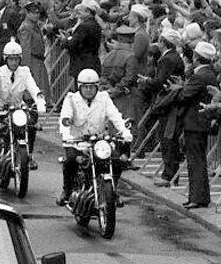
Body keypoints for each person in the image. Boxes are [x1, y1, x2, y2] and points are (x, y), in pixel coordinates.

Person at [58, 69, 132, 206]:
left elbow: (115, 116)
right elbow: (65, 118)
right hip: (77, 142)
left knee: (117, 160)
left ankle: (112, 191)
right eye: (85, 87)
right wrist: (66, 134)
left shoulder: (104, 98)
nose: (88, 90)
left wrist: (124, 131)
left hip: (100, 142)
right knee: (70, 162)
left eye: (91, 87)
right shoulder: (71, 100)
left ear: (96, 87)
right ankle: (67, 191)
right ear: (79, 87)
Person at [0, 41, 47, 170]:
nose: (14, 62)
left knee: (31, 125)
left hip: (17, 110)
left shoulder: (25, 72)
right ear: (6, 59)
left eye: (16, 59)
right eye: (11, 59)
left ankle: (29, 155)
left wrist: (40, 104)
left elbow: (34, 89)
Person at [139, 29, 187, 187]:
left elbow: (160, 82)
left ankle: (169, 175)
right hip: (172, 102)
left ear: (163, 42)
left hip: (169, 104)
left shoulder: (167, 59)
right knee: (169, 139)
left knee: (168, 139)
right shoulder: (174, 57)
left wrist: (147, 81)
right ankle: (171, 174)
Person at [175, 41, 218, 209]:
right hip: (201, 122)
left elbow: (184, 95)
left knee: (195, 161)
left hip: (195, 122)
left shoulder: (200, 76)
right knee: (197, 160)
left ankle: (197, 197)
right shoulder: (210, 73)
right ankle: (200, 196)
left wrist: (178, 88)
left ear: (196, 58)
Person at [63, 0, 103, 81]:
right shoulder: (96, 24)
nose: (77, 16)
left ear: (88, 12)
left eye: (79, 13)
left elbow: (73, 43)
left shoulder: (84, 26)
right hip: (92, 63)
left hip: (82, 64)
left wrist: (64, 40)